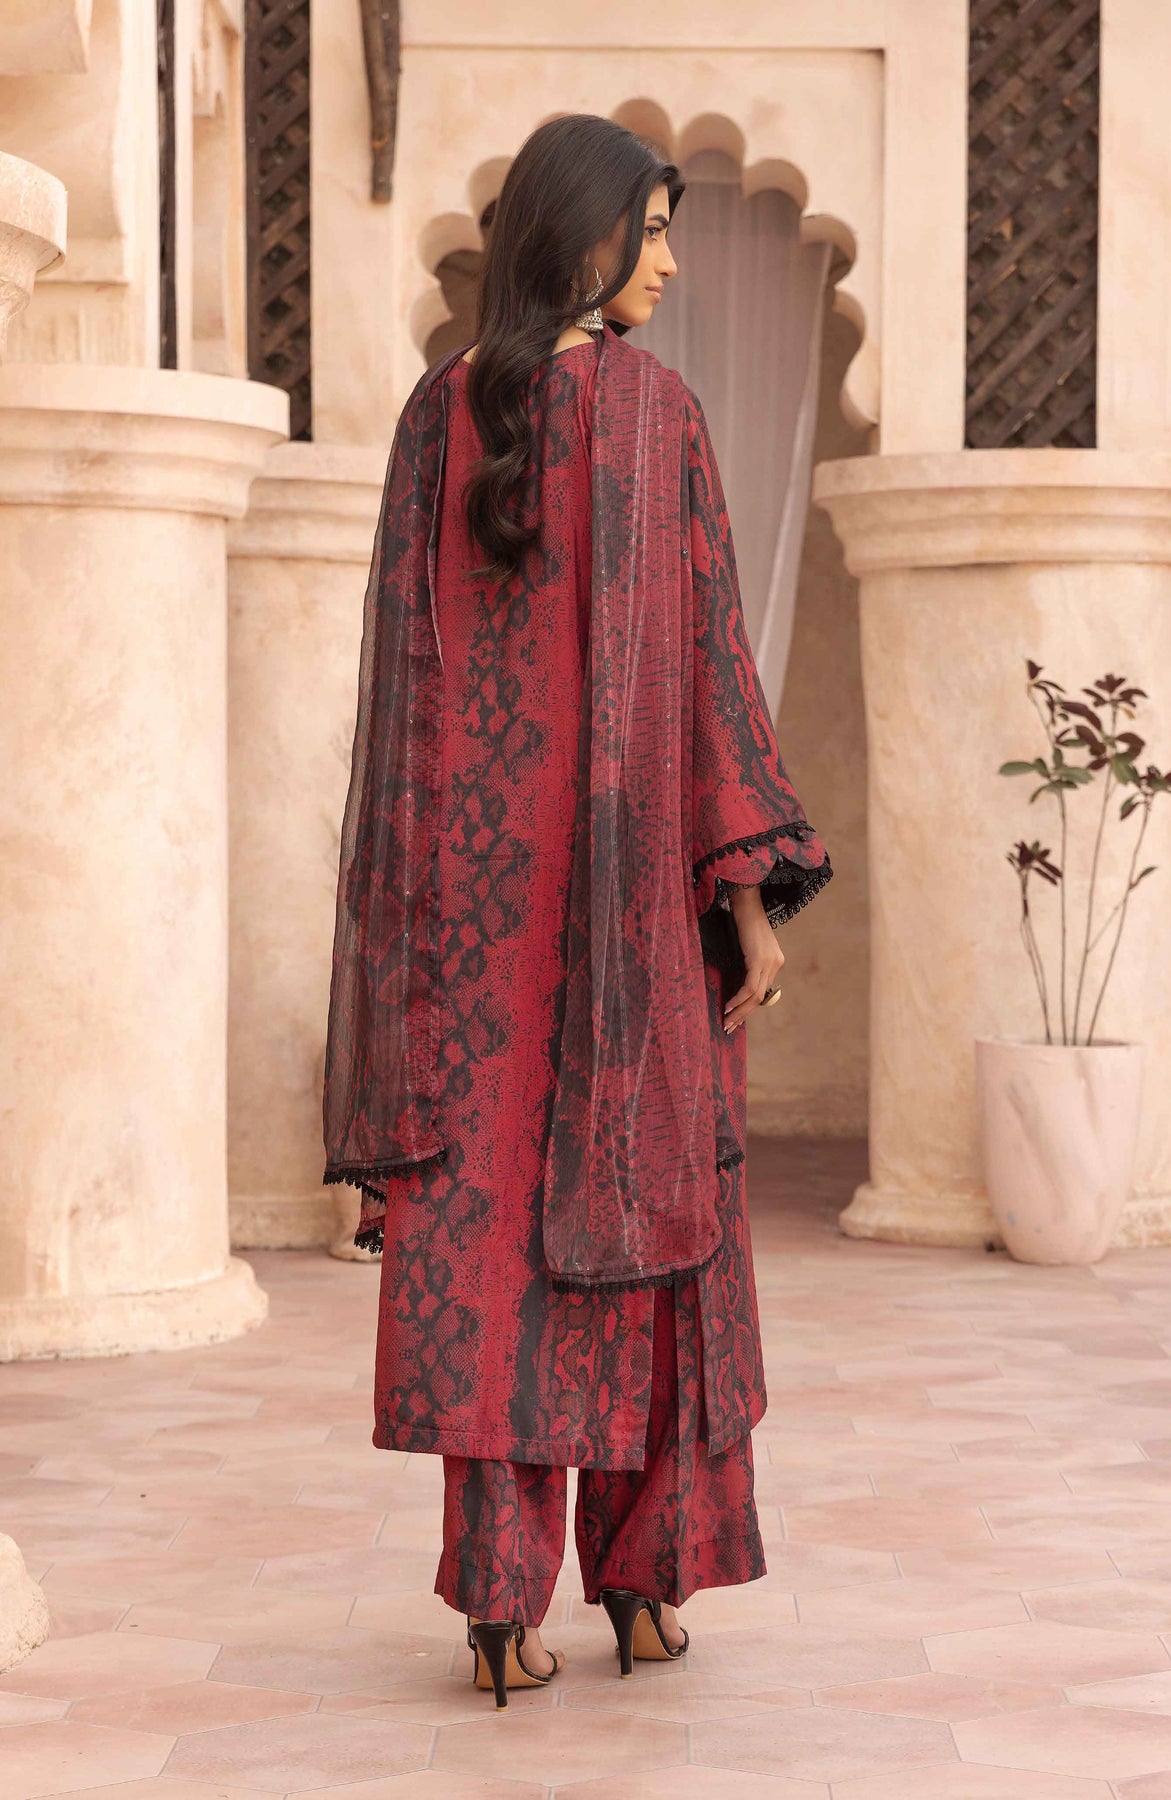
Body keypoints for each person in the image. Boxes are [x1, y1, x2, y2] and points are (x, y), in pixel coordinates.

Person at [322, 113, 833, 1710]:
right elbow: (709, 678)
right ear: (581, 232)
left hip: (467, 936)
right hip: (629, 934)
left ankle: (498, 1613)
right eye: (653, 230)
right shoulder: (657, 415)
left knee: (490, 1265)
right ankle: (643, 1593)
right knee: (649, 1236)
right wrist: (747, 904)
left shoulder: (439, 414)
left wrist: (406, 939)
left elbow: (404, 694)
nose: (671, 262)